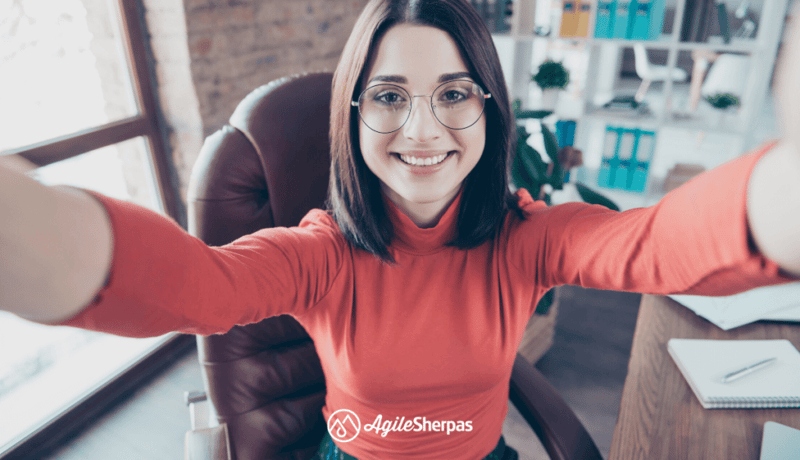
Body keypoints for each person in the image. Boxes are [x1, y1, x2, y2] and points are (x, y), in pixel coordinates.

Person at [2, 0, 799, 458]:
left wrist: (785, 190)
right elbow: (199, 288)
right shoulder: (320, 252)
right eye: (389, 96)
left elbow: (651, 245)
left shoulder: (526, 238)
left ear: (490, 107)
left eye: (454, 93)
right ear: (354, 115)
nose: (422, 127)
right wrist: (25, 232)